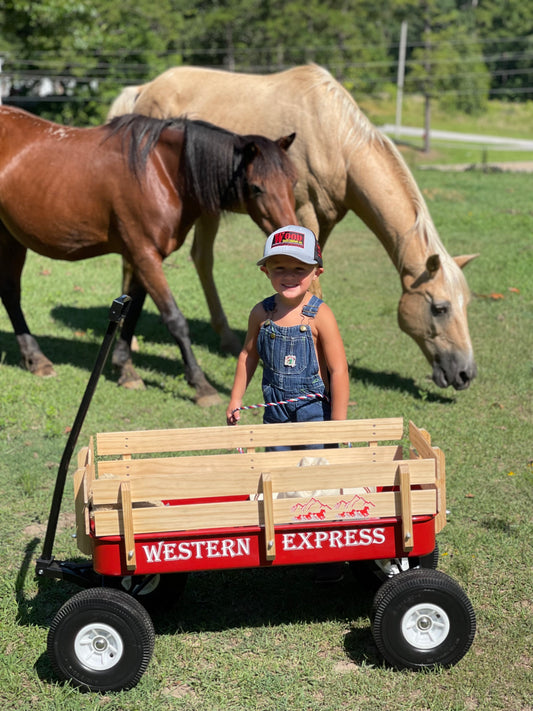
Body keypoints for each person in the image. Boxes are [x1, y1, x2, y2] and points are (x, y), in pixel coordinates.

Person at [226, 225, 349, 430]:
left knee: (314, 462)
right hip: (275, 412)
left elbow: (339, 370)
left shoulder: (321, 315)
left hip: (314, 412)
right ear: (266, 271)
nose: (289, 276)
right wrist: (235, 399)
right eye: (280, 268)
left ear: (316, 273)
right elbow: (248, 355)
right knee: (276, 461)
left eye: (299, 269)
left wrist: (338, 422)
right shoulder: (261, 313)